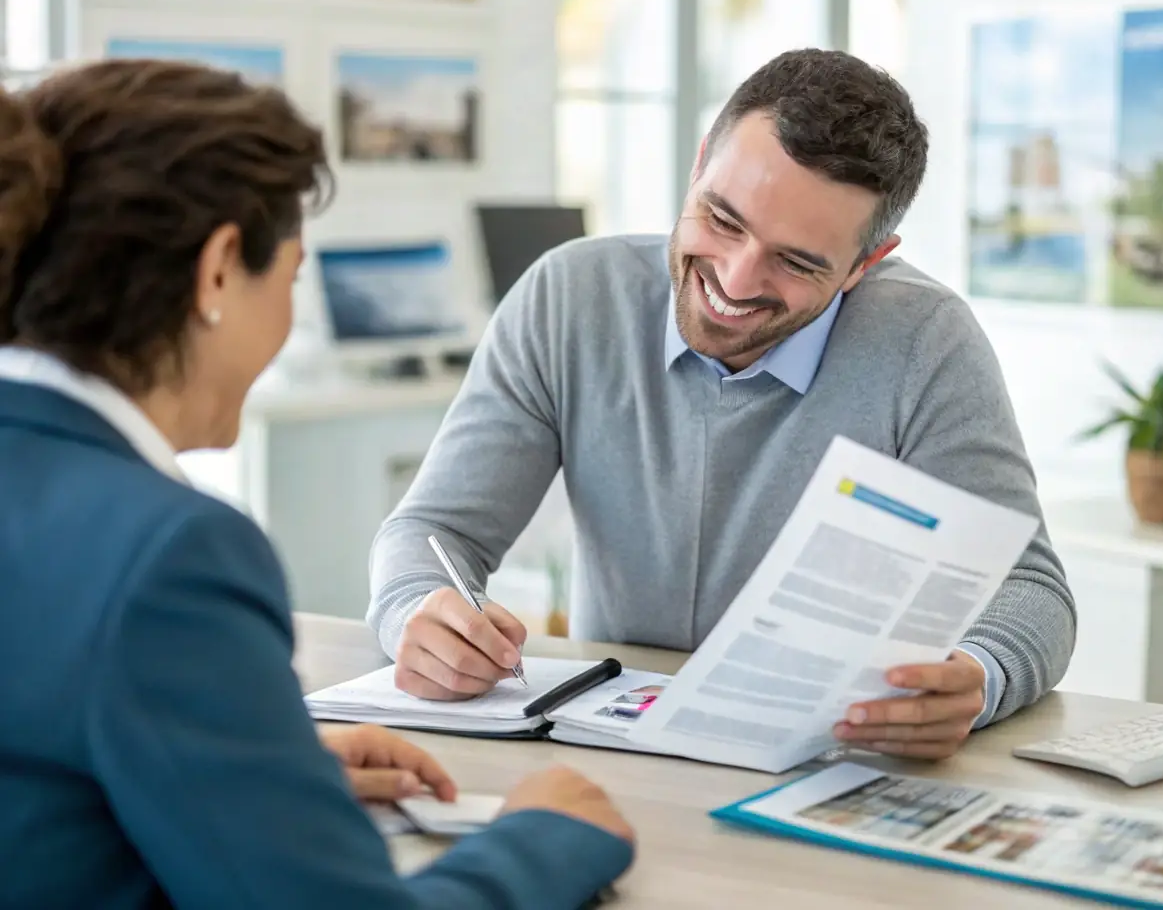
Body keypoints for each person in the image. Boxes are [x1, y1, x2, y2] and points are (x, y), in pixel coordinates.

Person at [0, 59, 634, 909]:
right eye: (292, 276)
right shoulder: (169, 556)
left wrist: (249, 770)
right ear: (221, 268)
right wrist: (550, 839)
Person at [369, 48, 1078, 760]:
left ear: (866, 262)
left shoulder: (926, 342)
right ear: (701, 160)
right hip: (612, 750)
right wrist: (415, 614)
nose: (736, 281)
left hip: (824, 762)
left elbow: (1031, 588)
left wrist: (979, 677)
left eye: (797, 262)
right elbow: (434, 529)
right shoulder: (568, 297)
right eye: (722, 219)